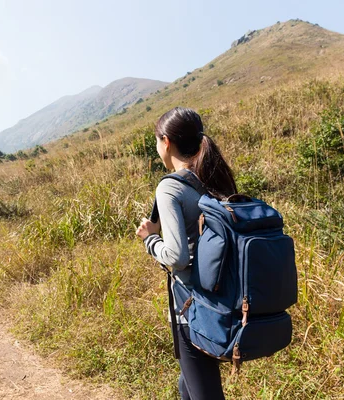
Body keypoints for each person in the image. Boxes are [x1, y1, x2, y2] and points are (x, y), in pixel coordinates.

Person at [136, 107, 237, 400]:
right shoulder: (211, 176)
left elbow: (177, 256)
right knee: (189, 385)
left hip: (189, 308)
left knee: (204, 392)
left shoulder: (170, 187)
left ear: (166, 142)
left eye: (157, 142)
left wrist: (149, 239)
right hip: (219, 300)